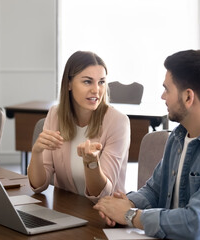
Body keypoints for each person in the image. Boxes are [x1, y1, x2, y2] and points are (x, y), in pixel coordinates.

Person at [94, 49, 200, 239]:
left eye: (167, 89)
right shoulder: (179, 136)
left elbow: (194, 224)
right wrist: (126, 204)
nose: (162, 97)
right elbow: (154, 190)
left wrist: (130, 215)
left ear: (188, 97)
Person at [28, 51, 130, 203]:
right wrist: (36, 152)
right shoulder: (55, 114)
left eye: (101, 82)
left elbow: (102, 195)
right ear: (69, 84)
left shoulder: (118, 122)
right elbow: (38, 185)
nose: (96, 90)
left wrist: (91, 163)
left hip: (103, 216)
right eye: (88, 82)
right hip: (66, 212)